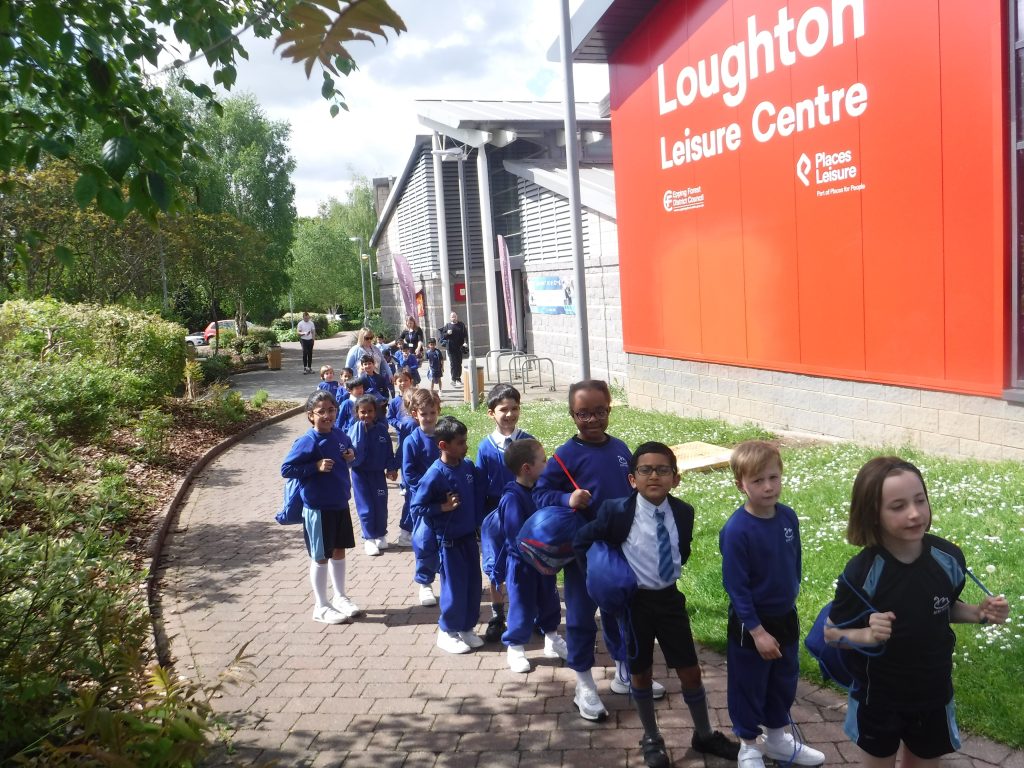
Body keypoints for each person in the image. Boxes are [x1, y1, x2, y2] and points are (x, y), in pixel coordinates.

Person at [824, 457, 1009, 768]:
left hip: (933, 693)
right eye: (897, 506)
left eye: (920, 500)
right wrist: (867, 635)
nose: (914, 513)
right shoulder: (862, 573)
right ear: (872, 514)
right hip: (878, 698)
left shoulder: (947, 558)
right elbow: (831, 635)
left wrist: (979, 613)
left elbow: (942, 608)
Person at [575, 442, 738, 767]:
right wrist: (600, 577)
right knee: (641, 673)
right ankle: (651, 737)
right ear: (632, 479)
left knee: (690, 671)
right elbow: (583, 539)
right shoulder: (617, 511)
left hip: (669, 601)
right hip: (635, 604)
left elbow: (683, 549)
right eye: (645, 470)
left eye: (662, 470)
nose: (654, 476)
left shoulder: (683, 512)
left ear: (675, 479)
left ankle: (703, 733)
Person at [534, 379, 664, 721]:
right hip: (583, 551)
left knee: (621, 609)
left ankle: (625, 671)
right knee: (579, 617)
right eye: (583, 413)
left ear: (609, 409)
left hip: (620, 546)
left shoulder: (621, 449)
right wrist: (567, 498)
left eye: (599, 411)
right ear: (572, 414)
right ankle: (584, 685)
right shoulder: (565, 456)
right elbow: (540, 494)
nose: (592, 420)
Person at [719, 440, 825, 768]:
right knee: (749, 683)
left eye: (773, 477)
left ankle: (778, 738)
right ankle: (749, 746)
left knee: (783, 678)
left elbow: (793, 562)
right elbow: (736, 587)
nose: (768, 487)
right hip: (752, 623)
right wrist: (756, 631)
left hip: (784, 615)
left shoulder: (788, 517)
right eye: (758, 481)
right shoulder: (737, 530)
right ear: (741, 485)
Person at [280, 390, 362, 624]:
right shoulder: (307, 441)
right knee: (320, 556)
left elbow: (351, 455)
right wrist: (314, 466)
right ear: (310, 416)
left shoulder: (339, 435)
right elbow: (286, 469)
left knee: (339, 550)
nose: (327, 415)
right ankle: (321, 605)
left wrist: (350, 455)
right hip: (317, 508)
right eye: (321, 411)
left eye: (331, 410)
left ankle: (340, 597)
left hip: (339, 503)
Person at [410, 416, 486, 654]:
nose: (466, 446)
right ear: (443, 445)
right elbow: (417, 507)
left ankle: (466, 627)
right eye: (461, 443)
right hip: (449, 542)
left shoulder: (467, 467)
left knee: (473, 585)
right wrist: (441, 508)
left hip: (468, 539)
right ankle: (447, 631)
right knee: (454, 588)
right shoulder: (435, 474)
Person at [499, 438, 567, 672]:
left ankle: (551, 638)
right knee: (522, 605)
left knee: (550, 601)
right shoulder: (512, 498)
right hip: (522, 565)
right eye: (544, 460)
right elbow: (515, 536)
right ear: (527, 468)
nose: (548, 463)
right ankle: (516, 647)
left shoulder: (541, 491)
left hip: (544, 563)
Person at [476, 384, 534, 643]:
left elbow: (538, 477)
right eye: (503, 410)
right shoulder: (485, 447)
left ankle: (528, 613)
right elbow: (480, 484)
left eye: (514, 408)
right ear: (491, 413)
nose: (509, 414)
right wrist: (479, 520)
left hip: (524, 513)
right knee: (494, 567)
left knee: (527, 563)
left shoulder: (528, 441)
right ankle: (498, 615)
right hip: (495, 514)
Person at [402, 388, 442, 606]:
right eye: (423, 413)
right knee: (424, 541)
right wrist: (427, 489)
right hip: (423, 502)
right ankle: (424, 583)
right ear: (415, 413)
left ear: (438, 411)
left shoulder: (444, 435)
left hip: (445, 499)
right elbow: (409, 473)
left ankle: (448, 577)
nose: (428, 418)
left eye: (432, 413)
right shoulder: (412, 441)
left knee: (446, 541)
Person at [347, 394, 400, 557]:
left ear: (376, 412)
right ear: (357, 412)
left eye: (370, 411)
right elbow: (348, 451)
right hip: (360, 475)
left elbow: (388, 452)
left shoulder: (381, 431)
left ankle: (381, 534)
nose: (366, 415)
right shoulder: (353, 430)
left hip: (378, 475)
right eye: (363, 412)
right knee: (366, 507)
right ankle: (369, 538)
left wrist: (391, 468)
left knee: (380, 506)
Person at [387, 368, 418, 546]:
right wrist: (393, 467)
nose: (402, 383)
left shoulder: (418, 398)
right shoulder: (396, 404)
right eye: (399, 381)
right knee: (411, 496)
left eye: (405, 380)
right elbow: (390, 418)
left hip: (419, 463)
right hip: (407, 454)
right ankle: (406, 532)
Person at [439, 311, 468, 387]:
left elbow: (465, 335)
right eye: (452, 316)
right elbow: (443, 336)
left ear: (457, 317)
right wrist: (447, 333)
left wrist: (465, 343)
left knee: (459, 363)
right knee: (453, 363)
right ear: (450, 318)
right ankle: (453, 379)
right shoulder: (447, 326)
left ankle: (458, 378)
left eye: (454, 316)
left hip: (459, 347)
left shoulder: (461, 325)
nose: (453, 318)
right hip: (450, 348)